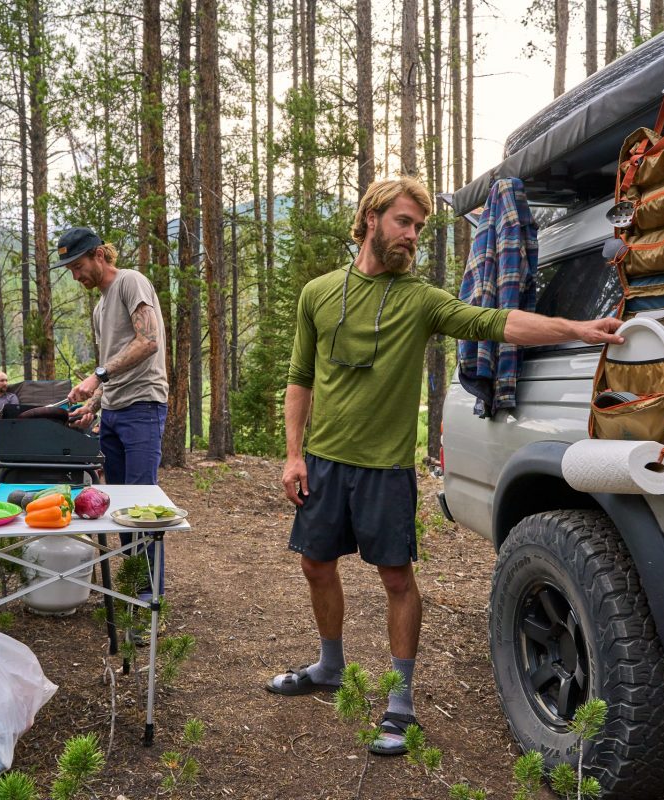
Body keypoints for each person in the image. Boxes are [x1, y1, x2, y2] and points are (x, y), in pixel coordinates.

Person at [266, 177, 623, 756]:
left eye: (418, 228)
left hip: (385, 469)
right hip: (325, 463)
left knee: (397, 579)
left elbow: (497, 322)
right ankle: (330, 666)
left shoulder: (420, 301)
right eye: (403, 222)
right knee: (315, 564)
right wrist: (291, 455)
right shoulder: (319, 293)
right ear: (373, 218)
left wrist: (578, 329)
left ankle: (400, 701)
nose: (412, 236)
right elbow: (300, 379)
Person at [58, 227, 169, 486]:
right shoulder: (99, 308)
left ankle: (149, 530)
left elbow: (149, 341)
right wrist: (91, 406)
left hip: (142, 405)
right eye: (70, 271)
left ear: (98, 255)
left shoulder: (130, 281)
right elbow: (111, 364)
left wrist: (97, 376)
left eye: (78, 266)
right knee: (118, 499)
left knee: (140, 500)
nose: (75, 276)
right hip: (111, 411)